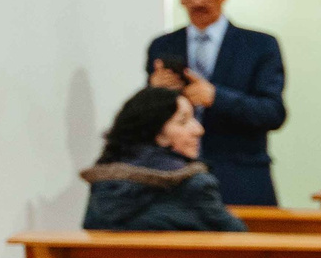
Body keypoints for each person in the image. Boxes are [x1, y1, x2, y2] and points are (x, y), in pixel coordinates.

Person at [145, 0, 286, 206]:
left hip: (241, 179)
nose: (198, 0)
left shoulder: (260, 46)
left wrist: (216, 97)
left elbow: (273, 113)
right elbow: (146, 124)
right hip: (175, 179)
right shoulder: (163, 46)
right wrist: (154, 94)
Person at [80, 86, 246, 231]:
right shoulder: (195, 186)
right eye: (183, 121)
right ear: (158, 134)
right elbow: (238, 241)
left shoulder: (104, 183)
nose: (199, 129)